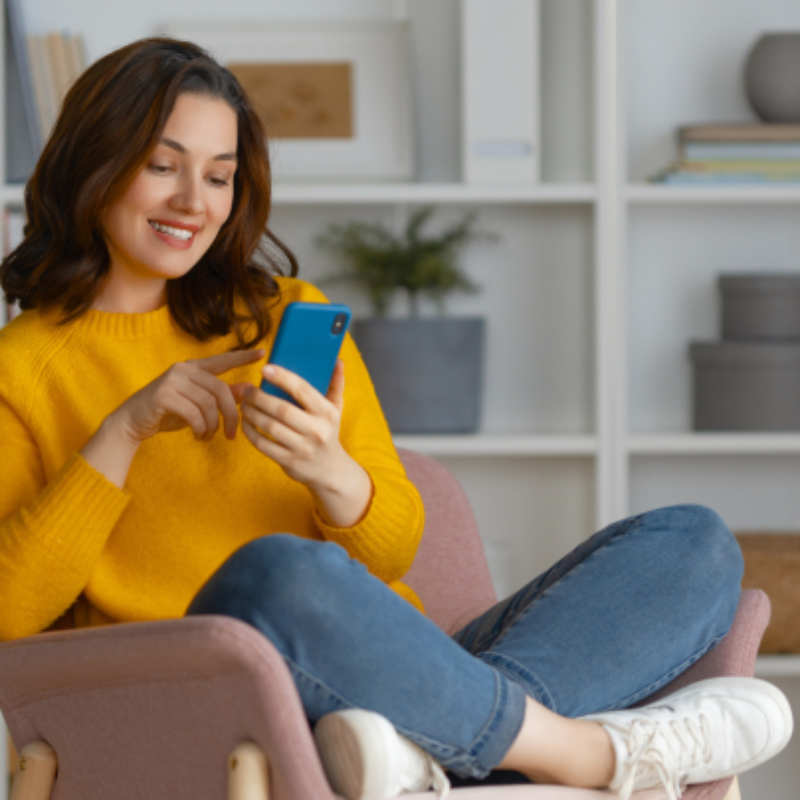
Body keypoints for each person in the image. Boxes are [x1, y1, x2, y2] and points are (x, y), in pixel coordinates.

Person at [0, 37, 792, 800]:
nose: (192, 202)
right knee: (277, 574)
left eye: (218, 176)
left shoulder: (282, 313)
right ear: (94, 163)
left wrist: (329, 473)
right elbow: (8, 610)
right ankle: (577, 752)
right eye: (162, 166)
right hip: (216, 692)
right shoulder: (23, 364)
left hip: (394, 674)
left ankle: (432, 750)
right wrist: (121, 433)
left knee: (691, 543)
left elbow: (394, 550)